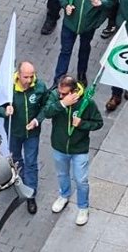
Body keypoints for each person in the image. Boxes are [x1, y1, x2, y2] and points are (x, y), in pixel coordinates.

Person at [39, 75, 103, 226]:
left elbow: (98, 123)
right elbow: (47, 112)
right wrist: (62, 103)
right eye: (59, 92)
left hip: (79, 149)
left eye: (64, 94)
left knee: (81, 180)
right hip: (59, 146)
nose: (60, 95)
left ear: (74, 91)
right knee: (62, 174)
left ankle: (83, 207)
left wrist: (82, 124)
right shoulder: (56, 96)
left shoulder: (87, 103)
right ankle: (64, 195)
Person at [0, 61, 49, 214]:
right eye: (26, 77)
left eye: (31, 76)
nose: (29, 80)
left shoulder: (39, 87)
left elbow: (46, 105)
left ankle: (30, 193)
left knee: (31, 162)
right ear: (18, 74)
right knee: (16, 159)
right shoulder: (7, 88)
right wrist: (4, 111)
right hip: (14, 132)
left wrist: (37, 120)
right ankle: (21, 181)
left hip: (32, 134)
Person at [53, 0, 111, 83]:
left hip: (88, 26)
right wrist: (65, 5)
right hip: (70, 23)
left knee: (84, 49)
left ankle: (81, 74)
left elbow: (109, 3)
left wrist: (97, 22)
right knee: (65, 51)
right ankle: (58, 80)